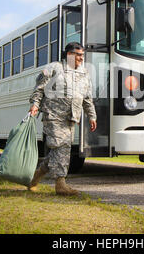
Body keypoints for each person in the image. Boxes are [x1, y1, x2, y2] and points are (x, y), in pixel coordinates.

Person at [27, 42, 97, 196]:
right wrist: (35, 105)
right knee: (62, 147)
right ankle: (61, 184)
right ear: (69, 54)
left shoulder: (84, 73)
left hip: (71, 118)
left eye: (82, 55)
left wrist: (92, 116)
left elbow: (87, 97)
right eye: (78, 54)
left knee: (59, 151)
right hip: (53, 116)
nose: (81, 58)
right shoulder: (54, 68)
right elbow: (39, 89)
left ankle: (36, 177)